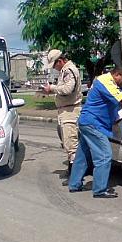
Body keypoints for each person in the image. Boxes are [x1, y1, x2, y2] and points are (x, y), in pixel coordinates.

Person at [68, 64, 122, 198]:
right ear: (116, 75)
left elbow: (119, 100)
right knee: (104, 155)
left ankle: (74, 184)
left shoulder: (106, 81)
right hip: (94, 124)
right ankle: (99, 190)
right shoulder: (106, 82)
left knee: (83, 156)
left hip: (87, 122)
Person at [42, 49, 82, 185]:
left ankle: (75, 176)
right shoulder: (66, 70)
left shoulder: (69, 70)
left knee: (72, 144)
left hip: (70, 111)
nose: (54, 68)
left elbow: (67, 90)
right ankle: (72, 172)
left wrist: (52, 88)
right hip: (65, 110)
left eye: (54, 65)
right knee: (68, 143)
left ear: (60, 61)